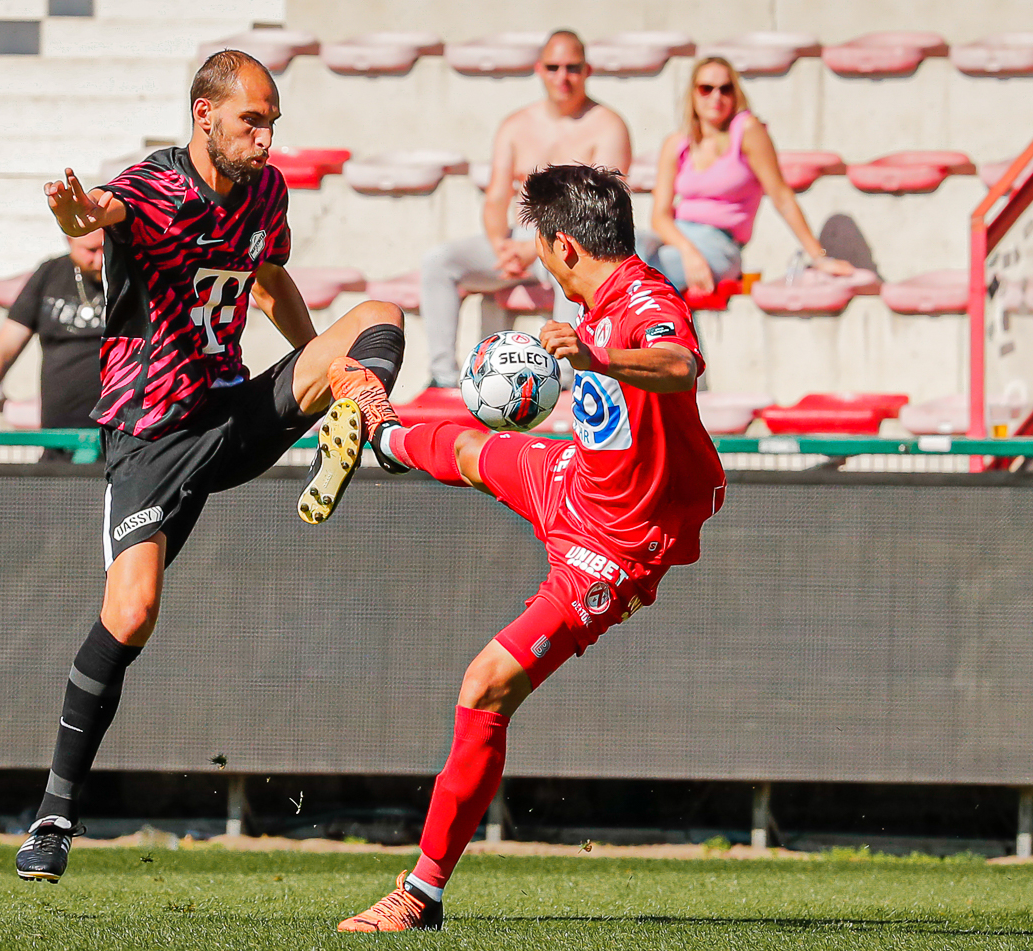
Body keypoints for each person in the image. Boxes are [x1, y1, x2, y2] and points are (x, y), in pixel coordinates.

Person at [7, 50, 407, 882]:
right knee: (133, 611)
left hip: (227, 412)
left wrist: (324, 364)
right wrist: (78, 212)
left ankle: (360, 416)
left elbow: (269, 282)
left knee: (376, 316)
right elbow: (103, 211)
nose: (265, 139)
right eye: (251, 122)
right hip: (151, 432)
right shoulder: (155, 184)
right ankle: (53, 812)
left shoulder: (265, 192)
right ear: (204, 115)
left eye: (273, 124)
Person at [329, 165, 724, 932]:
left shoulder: (643, 300)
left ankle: (421, 894)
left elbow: (679, 365)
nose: (539, 259)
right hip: (578, 478)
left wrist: (594, 355)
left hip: (614, 547)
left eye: (541, 246)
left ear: (565, 245)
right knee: (478, 453)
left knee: (484, 685)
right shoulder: (596, 304)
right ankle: (384, 431)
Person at [419, 30, 631, 389]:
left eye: (572, 68)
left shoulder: (608, 125)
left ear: (587, 70)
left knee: (574, 260)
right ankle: (443, 376)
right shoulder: (517, 126)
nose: (562, 77)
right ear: (539, 69)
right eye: (553, 67)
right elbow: (496, 198)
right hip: (519, 241)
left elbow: (598, 211)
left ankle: (566, 375)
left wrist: (534, 246)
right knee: (439, 261)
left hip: (572, 243)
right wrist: (501, 245)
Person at [643, 56, 853, 294]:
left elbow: (781, 197)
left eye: (725, 89)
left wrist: (819, 257)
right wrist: (687, 251)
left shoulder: (746, 130)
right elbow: (659, 216)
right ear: (692, 94)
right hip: (678, 239)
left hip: (719, 244)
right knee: (622, 249)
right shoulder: (676, 143)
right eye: (706, 89)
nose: (716, 97)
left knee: (644, 271)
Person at [0, 230, 107, 459]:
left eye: (106, 248)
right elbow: (3, 349)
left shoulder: (136, 275)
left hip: (123, 443)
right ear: (69, 239)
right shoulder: (50, 274)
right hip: (59, 441)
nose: (100, 260)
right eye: (90, 250)